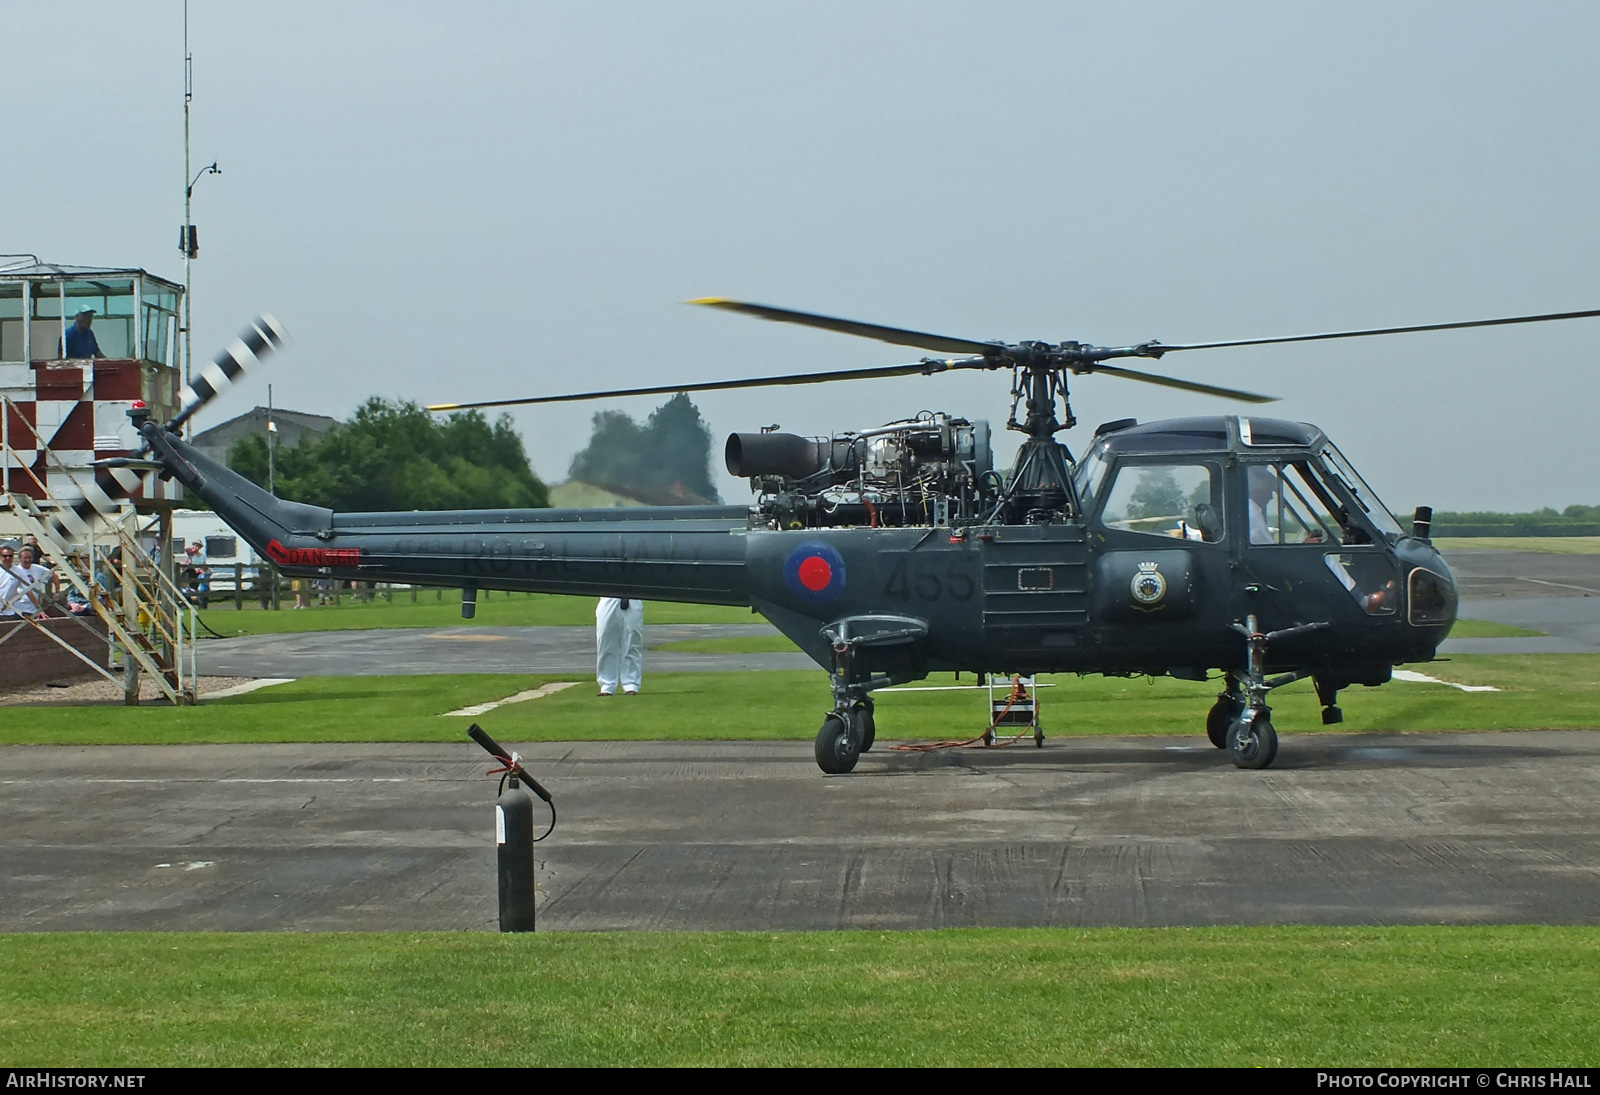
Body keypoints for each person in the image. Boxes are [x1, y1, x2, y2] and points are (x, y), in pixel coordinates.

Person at [595, 596, 644, 696]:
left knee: (632, 641)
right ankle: (607, 685)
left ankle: (631, 684)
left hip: (633, 597)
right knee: (605, 640)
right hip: (609, 596)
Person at [8, 544, 55, 617]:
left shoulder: (38, 568)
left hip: (33, 608)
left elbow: (53, 575)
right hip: (19, 608)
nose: (27, 560)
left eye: (29, 558)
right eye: (25, 558)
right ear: (20, 558)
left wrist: (57, 590)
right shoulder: (16, 571)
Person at [1247, 465, 1278, 545]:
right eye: (1270, 491)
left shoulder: (1248, 509)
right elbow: (1271, 552)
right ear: (1260, 490)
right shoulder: (1253, 515)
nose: (1271, 497)